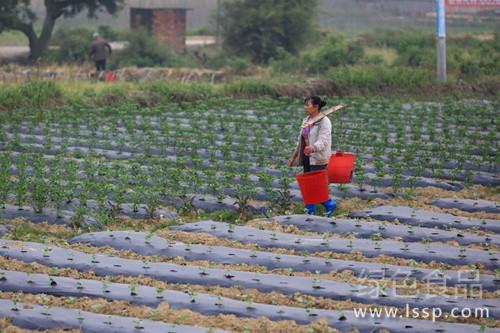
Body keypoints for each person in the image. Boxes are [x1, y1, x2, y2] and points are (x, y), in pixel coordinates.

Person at [288, 96, 337, 217]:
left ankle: (329, 205)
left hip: (318, 158)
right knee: (308, 185)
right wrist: (293, 157)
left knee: (317, 186)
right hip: (306, 158)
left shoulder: (324, 121)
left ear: (316, 107)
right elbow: (301, 141)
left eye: (307, 105)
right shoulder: (306, 120)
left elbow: (323, 140)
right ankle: (310, 211)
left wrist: (313, 148)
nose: (305, 107)